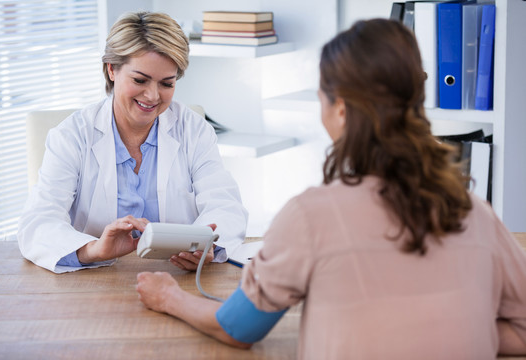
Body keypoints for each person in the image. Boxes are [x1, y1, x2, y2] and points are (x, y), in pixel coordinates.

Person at [136, 18, 526, 359]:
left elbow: (237, 329)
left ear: (340, 109)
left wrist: (168, 296)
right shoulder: (473, 211)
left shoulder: (311, 216)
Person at [17, 11, 248, 274]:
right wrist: (94, 250)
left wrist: (206, 248)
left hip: (177, 279)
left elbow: (225, 207)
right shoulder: (71, 136)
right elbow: (38, 223)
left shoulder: (194, 130)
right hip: (95, 281)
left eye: (167, 84)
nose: (152, 96)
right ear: (112, 69)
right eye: (140, 80)